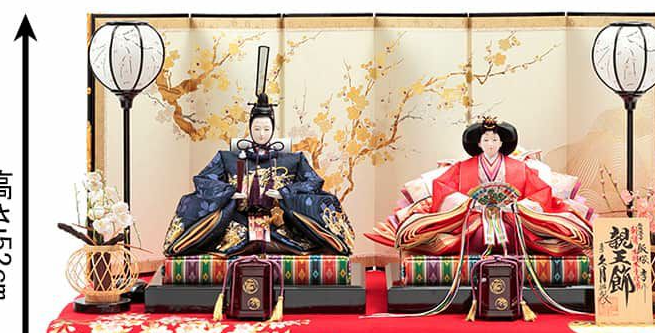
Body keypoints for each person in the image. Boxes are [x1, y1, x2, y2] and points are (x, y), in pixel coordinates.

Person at [163, 46, 354, 257]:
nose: (261, 134)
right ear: (250, 128)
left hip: (279, 223)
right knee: (195, 206)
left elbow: (314, 183)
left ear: (273, 129)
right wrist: (229, 193)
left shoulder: (293, 159)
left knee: (319, 206)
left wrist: (285, 193)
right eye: (257, 129)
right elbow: (204, 180)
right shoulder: (227, 158)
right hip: (238, 223)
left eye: (266, 129)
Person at [366, 117, 593, 256]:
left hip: (512, 218)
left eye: (495, 140)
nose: (490, 144)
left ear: (502, 143)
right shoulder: (463, 168)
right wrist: (467, 204)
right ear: (478, 143)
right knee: (477, 234)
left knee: (512, 233)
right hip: (471, 218)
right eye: (486, 140)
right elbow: (443, 187)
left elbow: (540, 192)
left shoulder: (520, 168)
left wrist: (518, 206)